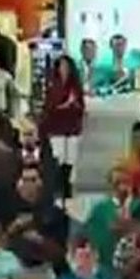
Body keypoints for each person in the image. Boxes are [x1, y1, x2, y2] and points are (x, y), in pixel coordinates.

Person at [40, 55, 85, 199]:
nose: (64, 69)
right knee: (59, 156)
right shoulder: (53, 86)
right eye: (61, 66)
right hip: (56, 127)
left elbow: (81, 107)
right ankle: (58, 186)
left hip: (72, 126)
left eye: (66, 66)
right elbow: (50, 107)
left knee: (70, 158)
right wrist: (65, 105)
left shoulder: (75, 86)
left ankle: (67, 185)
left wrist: (73, 106)